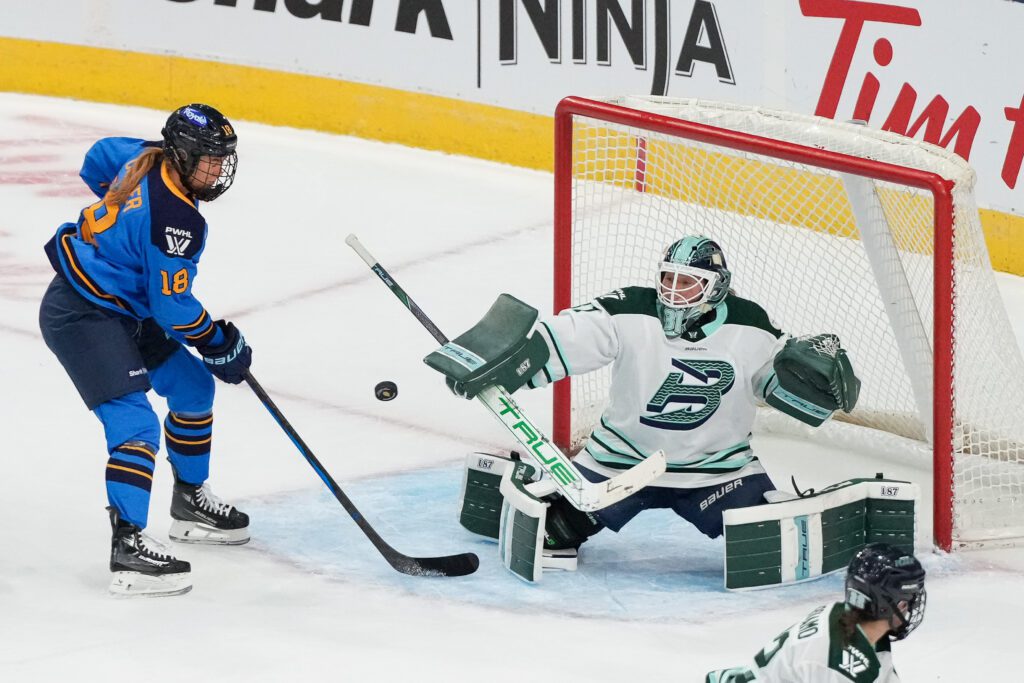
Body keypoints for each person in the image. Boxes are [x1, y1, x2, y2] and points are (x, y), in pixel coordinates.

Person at [445, 235, 860, 561]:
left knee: (775, 541)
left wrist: (810, 382)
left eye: (689, 282)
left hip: (716, 470)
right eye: (668, 278)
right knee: (551, 534)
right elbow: (568, 336)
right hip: (620, 463)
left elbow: (778, 385)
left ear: (717, 287)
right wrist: (501, 362)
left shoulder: (752, 325)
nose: (674, 291)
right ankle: (532, 488)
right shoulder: (630, 309)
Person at [39, 104, 254, 597]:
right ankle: (128, 548)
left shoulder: (139, 154)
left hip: (125, 309)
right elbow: (174, 307)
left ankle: (189, 501)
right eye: (207, 160)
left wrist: (116, 231)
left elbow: (96, 159)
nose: (217, 171)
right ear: (181, 154)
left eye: (222, 161)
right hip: (83, 314)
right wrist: (220, 342)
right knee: (135, 424)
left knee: (194, 388)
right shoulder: (177, 221)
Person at [706, 543, 927, 682]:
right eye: (906, 601)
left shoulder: (848, 620)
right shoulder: (839, 667)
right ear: (885, 606)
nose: (909, 608)